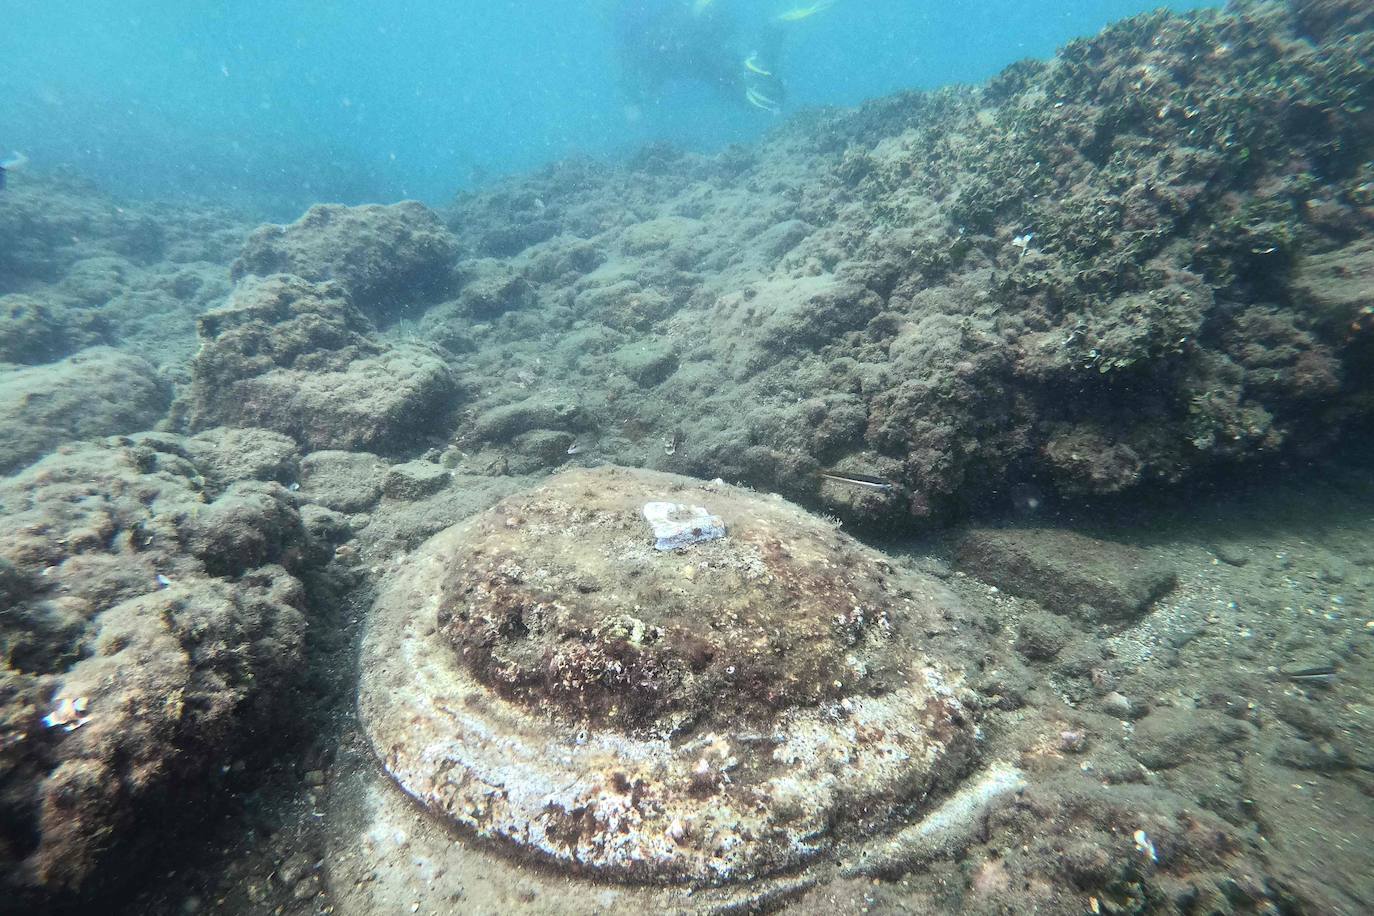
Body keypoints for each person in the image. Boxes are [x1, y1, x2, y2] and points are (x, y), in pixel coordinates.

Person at [613, 1, 835, 114]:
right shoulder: (650, 34)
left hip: (687, 43)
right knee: (745, 84)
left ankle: (770, 34)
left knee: (751, 95)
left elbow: (653, 72)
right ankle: (768, 38)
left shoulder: (643, 49)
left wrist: (635, 103)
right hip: (694, 34)